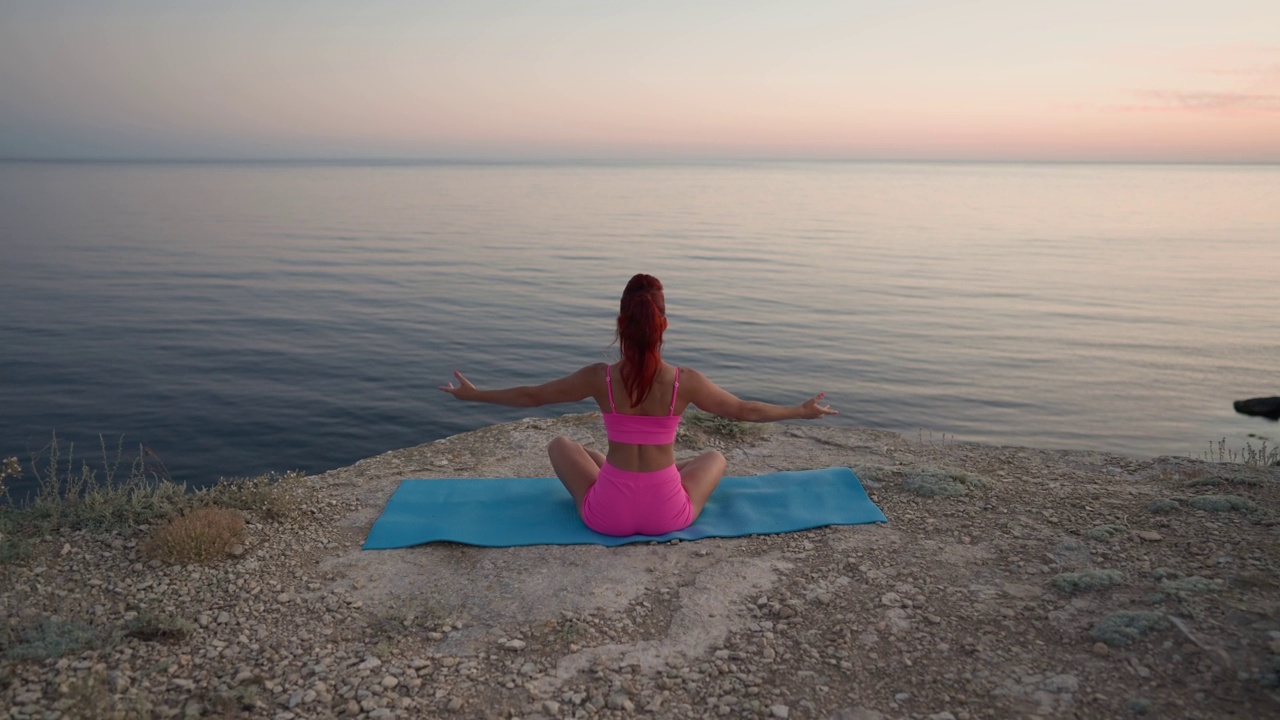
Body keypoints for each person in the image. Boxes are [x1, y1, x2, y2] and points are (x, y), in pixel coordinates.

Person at [438, 273, 837, 536]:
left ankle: (620, 474)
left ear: (620, 323)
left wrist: (475, 395)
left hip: (606, 516)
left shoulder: (600, 377)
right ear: (664, 323)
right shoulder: (686, 381)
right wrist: (801, 411)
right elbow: (744, 410)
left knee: (561, 445)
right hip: (668, 514)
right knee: (715, 457)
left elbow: (533, 395)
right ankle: (655, 476)